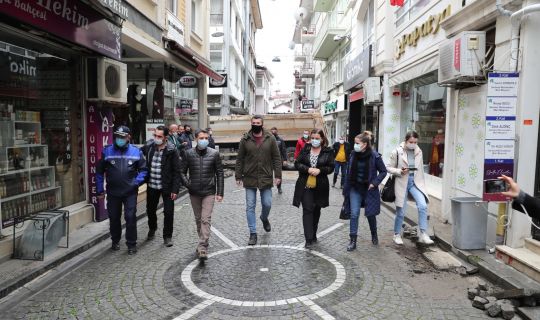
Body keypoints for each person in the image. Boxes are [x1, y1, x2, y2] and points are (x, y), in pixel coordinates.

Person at [96, 126, 148, 255]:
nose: (119, 139)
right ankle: (115, 240)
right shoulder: (107, 151)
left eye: (122, 137)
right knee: (114, 217)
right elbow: (99, 172)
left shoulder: (136, 152)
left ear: (128, 137)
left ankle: (131, 244)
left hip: (130, 192)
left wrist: (136, 183)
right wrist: (99, 190)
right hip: (113, 192)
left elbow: (144, 170)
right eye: (117, 136)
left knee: (130, 217)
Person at [235, 115, 282, 245]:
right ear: (251, 124)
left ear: (262, 124)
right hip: (249, 176)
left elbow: (276, 158)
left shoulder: (270, 138)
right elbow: (240, 159)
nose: (256, 124)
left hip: (266, 176)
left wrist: (278, 175)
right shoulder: (245, 139)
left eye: (258, 122)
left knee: (267, 203)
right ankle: (253, 233)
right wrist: (238, 176)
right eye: (253, 122)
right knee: (250, 206)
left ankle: (264, 218)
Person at [180, 129, 224, 260]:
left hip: (209, 192)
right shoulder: (188, 154)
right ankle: (202, 241)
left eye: (206, 138)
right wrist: (188, 184)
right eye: (201, 138)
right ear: (195, 139)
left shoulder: (214, 154)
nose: (204, 140)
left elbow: (220, 173)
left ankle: (203, 246)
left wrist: (220, 192)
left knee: (205, 219)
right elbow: (182, 171)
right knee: (198, 219)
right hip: (194, 192)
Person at [386, 131, 434, 245]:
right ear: (406, 141)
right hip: (401, 183)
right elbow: (388, 167)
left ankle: (423, 233)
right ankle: (396, 234)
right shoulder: (397, 151)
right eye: (411, 142)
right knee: (401, 212)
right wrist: (399, 171)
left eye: (415, 142)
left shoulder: (419, 151)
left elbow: (421, 170)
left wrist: (423, 185)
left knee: (422, 205)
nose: (413, 144)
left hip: (414, 183)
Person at [343, 132, 387, 250]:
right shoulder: (353, 154)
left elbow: (383, 171)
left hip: (369, 189)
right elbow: (348, 171)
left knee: (370, 214)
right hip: (355, 188)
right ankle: (353, 240)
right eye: (354, 143)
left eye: (357, 143)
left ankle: (374, 234)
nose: (355, 145)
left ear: (365, 144)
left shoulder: (375, 156)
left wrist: (374, 183)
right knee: (354, 213)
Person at [293, 129, 334, 248]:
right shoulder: (305, 149)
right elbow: (297, 164)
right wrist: (308, 169)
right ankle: (308, 239)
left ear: (322, 139)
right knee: (307, 210)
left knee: (316, 211)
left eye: (317, 138)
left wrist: (320, 170)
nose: (314, 141)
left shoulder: (328, 151)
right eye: (313, 138)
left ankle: (313, 233)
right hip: (305, 185)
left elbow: (331, 167)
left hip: (320, 186)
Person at [141, 125, 182, 247]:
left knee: (168, 212)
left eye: (159, 136)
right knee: (150, 210)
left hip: (167, 186)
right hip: (152, 185)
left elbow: (177, 172)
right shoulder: (149, 147)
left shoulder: (171, 150)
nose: (156, 138)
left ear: (165, 137)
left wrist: (175, 189)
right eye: (155, 135)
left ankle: (167, 236)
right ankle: (152, 228)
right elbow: (135, 152)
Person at [270, 126, 288, 194]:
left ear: (277, 131)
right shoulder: (268, 139)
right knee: (268, 174)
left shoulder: (280, 140)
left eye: (274, 130)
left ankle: (279, 188)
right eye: (272, 130)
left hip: (278, 160)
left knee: (278, 175)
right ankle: (268, 187)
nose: (273, 132)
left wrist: (285, 160)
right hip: (269, 160)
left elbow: (283, 150)